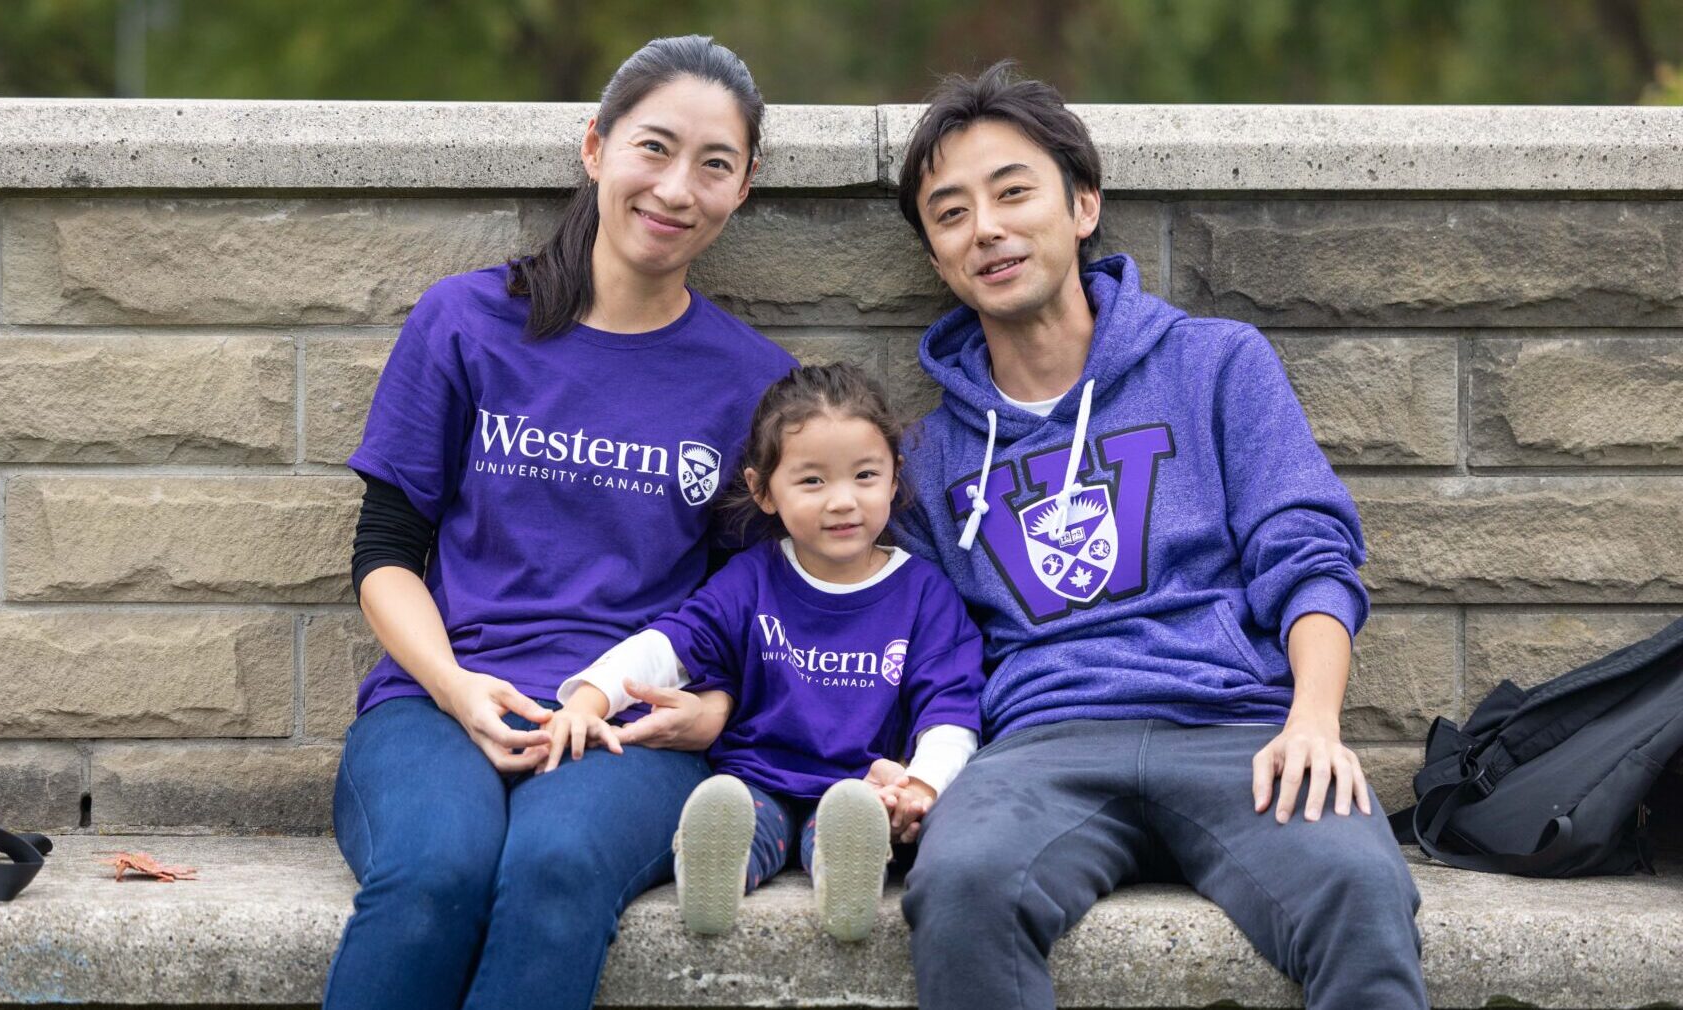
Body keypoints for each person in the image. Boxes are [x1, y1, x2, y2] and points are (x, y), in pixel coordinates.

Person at [888, 63, 1428, 1007]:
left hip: (1235, 729)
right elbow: (921, 644)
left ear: (1083, 204)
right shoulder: (929, 457)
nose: (988, 228)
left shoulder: (1216, 363)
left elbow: (1306, 554)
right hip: (1038, 750)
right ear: (938, 258)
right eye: (952, 213)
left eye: (1014, 192)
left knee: (1361, 887)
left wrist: (1314, 720)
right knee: (960, 885)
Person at [323, 36, 797, 1010]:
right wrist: (456, 687)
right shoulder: (463, 323)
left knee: (553, 866)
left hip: (628, 729)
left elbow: (755, 607)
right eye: (653, 148)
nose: (677, 188)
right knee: (434, 873)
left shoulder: (751, 381)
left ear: (744, 187)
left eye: (715, 165)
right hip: (437, 703)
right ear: (595, 148)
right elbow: (384, 553)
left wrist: (712, 712)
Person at [544, 363, 984, 942]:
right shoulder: (753, 579)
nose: (843, 502)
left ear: (896, 477)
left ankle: (845, 874)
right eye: (812, 482)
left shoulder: (925, 594)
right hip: (758, 781)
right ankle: (714, 874)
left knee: (850, 820)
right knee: (735, 816)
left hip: (863, 786)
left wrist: (921, 787)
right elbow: (671, 644)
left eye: (865, 476)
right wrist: (590, 701)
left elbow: (950, 713)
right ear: (761, 490)